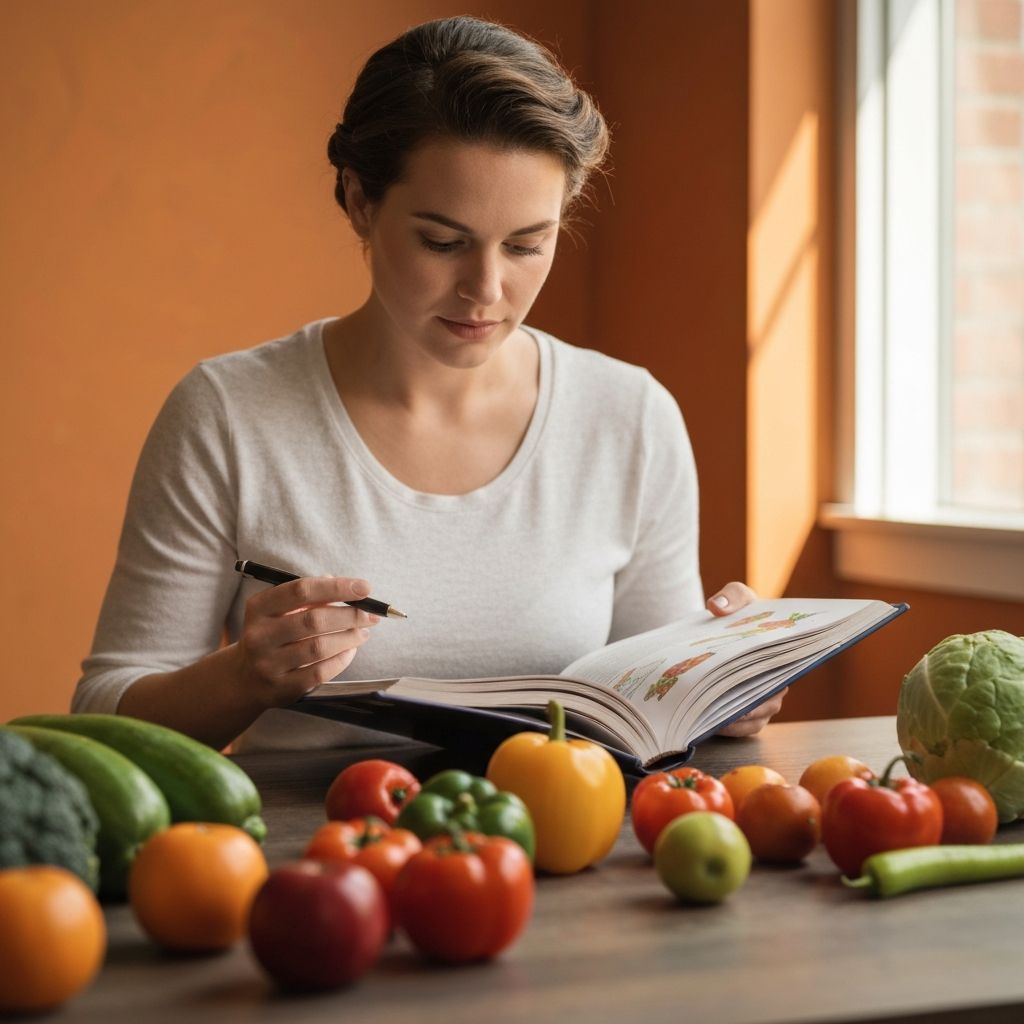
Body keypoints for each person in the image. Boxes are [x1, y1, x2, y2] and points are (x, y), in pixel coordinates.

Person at [74, 15, 786, 752]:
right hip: (313, 860)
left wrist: (726, 690)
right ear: (358, 200)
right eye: (443, 242)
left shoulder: (629, 417)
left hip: (573, 853)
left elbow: (659, 718)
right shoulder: (227, 415)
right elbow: (101, 715)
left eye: (526, 245)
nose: (485, 288)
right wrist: (240, 679)